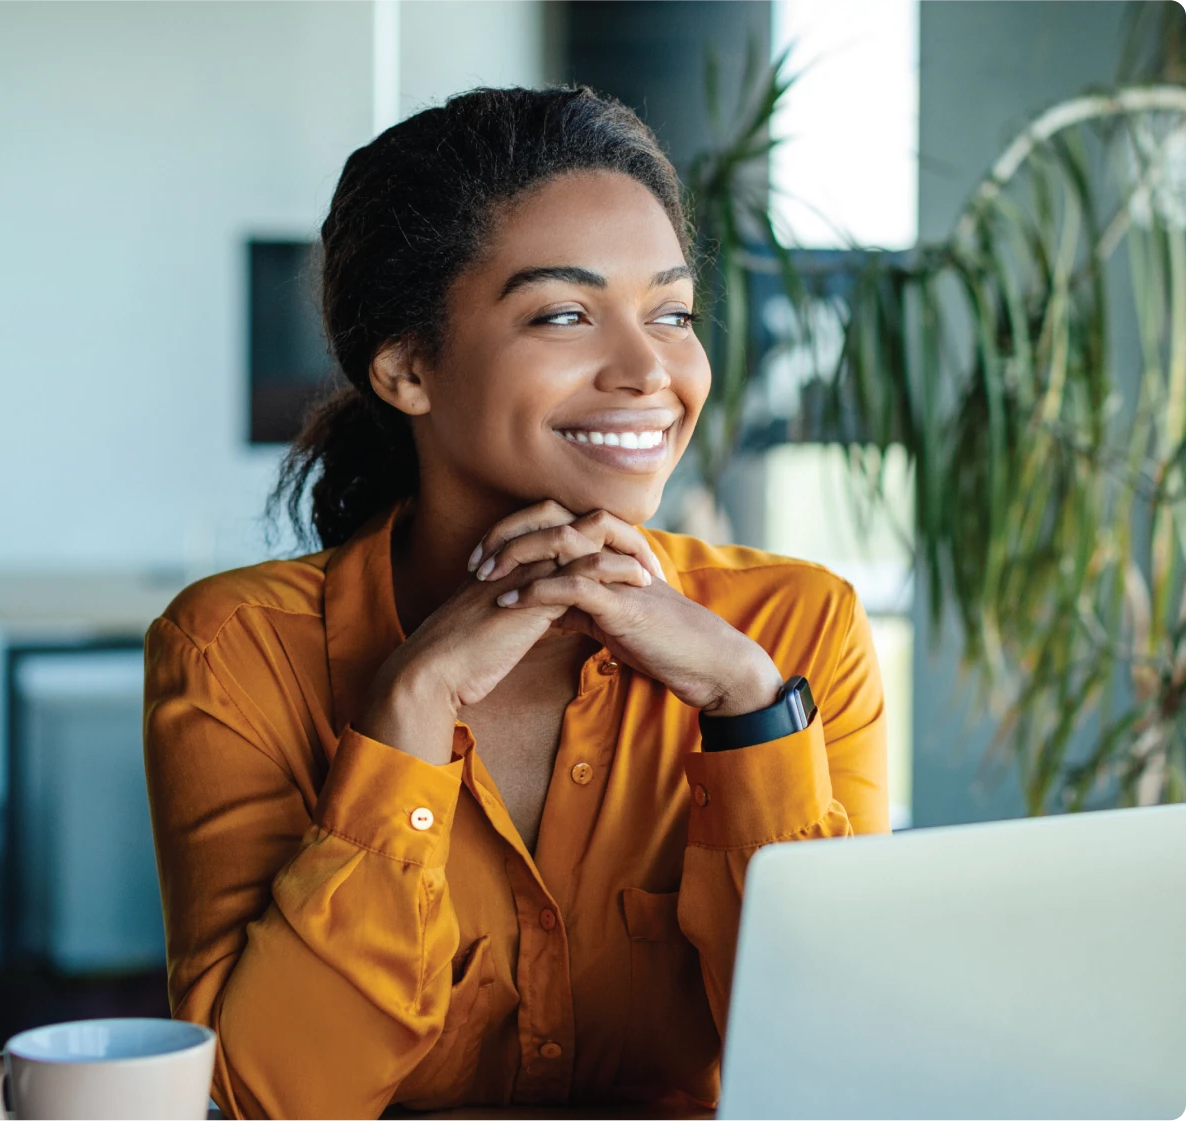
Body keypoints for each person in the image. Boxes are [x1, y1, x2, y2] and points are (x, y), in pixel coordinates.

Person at [143, 85, 889, 1121]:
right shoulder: (233, 650)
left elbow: (847, 1067)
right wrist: (406, 711)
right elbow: (275, 1096)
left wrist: (748, 705)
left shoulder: (794, 633)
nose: (649, 371)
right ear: (407, 366)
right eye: (565, 314)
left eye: (672, 313)